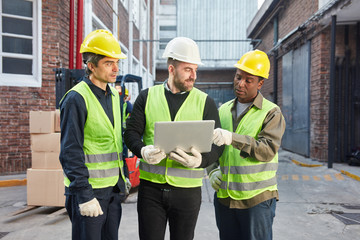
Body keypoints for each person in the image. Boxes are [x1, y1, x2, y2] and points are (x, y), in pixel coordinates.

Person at [124, 37, 224, 240]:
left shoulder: (205, 102)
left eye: (195, 70)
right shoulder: (147, 96)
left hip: (187, 193)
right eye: (188, 69)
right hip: (151, 191)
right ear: (171, 69)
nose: (193, 76)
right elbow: (131, 133)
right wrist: (143, 150)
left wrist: (201, 161)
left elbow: (217, 144)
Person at [59, 29, 131, 240]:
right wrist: (84, 195)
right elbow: (70, 152)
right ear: (91, 66)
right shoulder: (76, 99)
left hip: (112, 191)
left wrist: (123, 175)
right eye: (109, 63)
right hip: (89, 192)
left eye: (117, 62)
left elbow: (117, 140)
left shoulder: (115, 96)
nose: (116, 68)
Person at [209, 49, 286, 240]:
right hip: (225, 198)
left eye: (248, 80)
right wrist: (211, 170)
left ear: (260, 83)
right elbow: (210, 146)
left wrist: (232, 138)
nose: (240, 83)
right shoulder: (223, 110)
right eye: (238, 77)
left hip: (257, 200)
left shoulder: (271, 113)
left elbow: (267, 149)